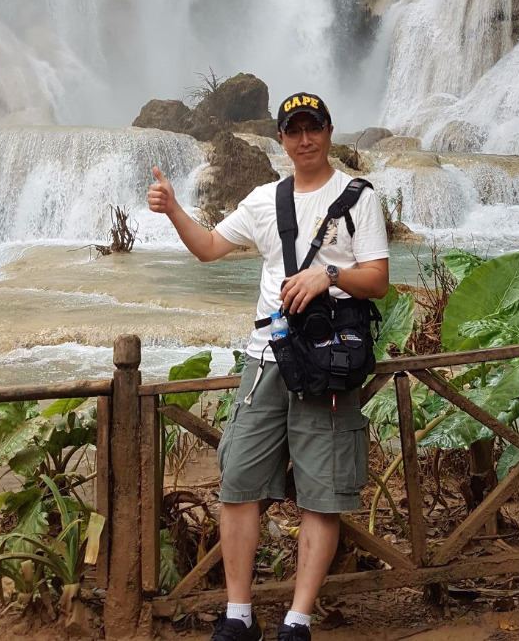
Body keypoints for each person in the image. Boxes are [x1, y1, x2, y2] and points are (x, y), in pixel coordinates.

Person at [148, 91, 390, 641]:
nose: (305, 139)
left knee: (321, 492)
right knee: (238, 481)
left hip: (329, 361)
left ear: (329, 131)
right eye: (294, 131)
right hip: (268, 356)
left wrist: (329, 275)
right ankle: (239, 615)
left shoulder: (358, 197)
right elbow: (209, 248)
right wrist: (174, 209)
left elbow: (377, 279)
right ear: (281, 139)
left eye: (313, 128)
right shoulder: (264, 199)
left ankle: (297, 620)